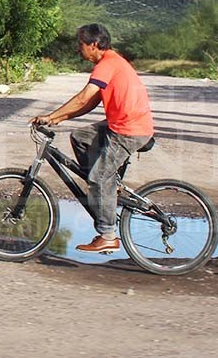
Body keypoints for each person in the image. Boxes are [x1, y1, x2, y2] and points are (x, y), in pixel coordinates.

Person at [30, 23, 154, 253]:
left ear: (94, 44)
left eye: (81, 44)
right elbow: (90, 103)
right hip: (122, 125)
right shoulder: (109, 63)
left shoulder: (108, 64)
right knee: (80, 136)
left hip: (129, 130)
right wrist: (59, 118)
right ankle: (106, 187)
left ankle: (107, 234)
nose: (79, 49)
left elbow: (82, 97)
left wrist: (51, 115)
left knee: (98, 177)